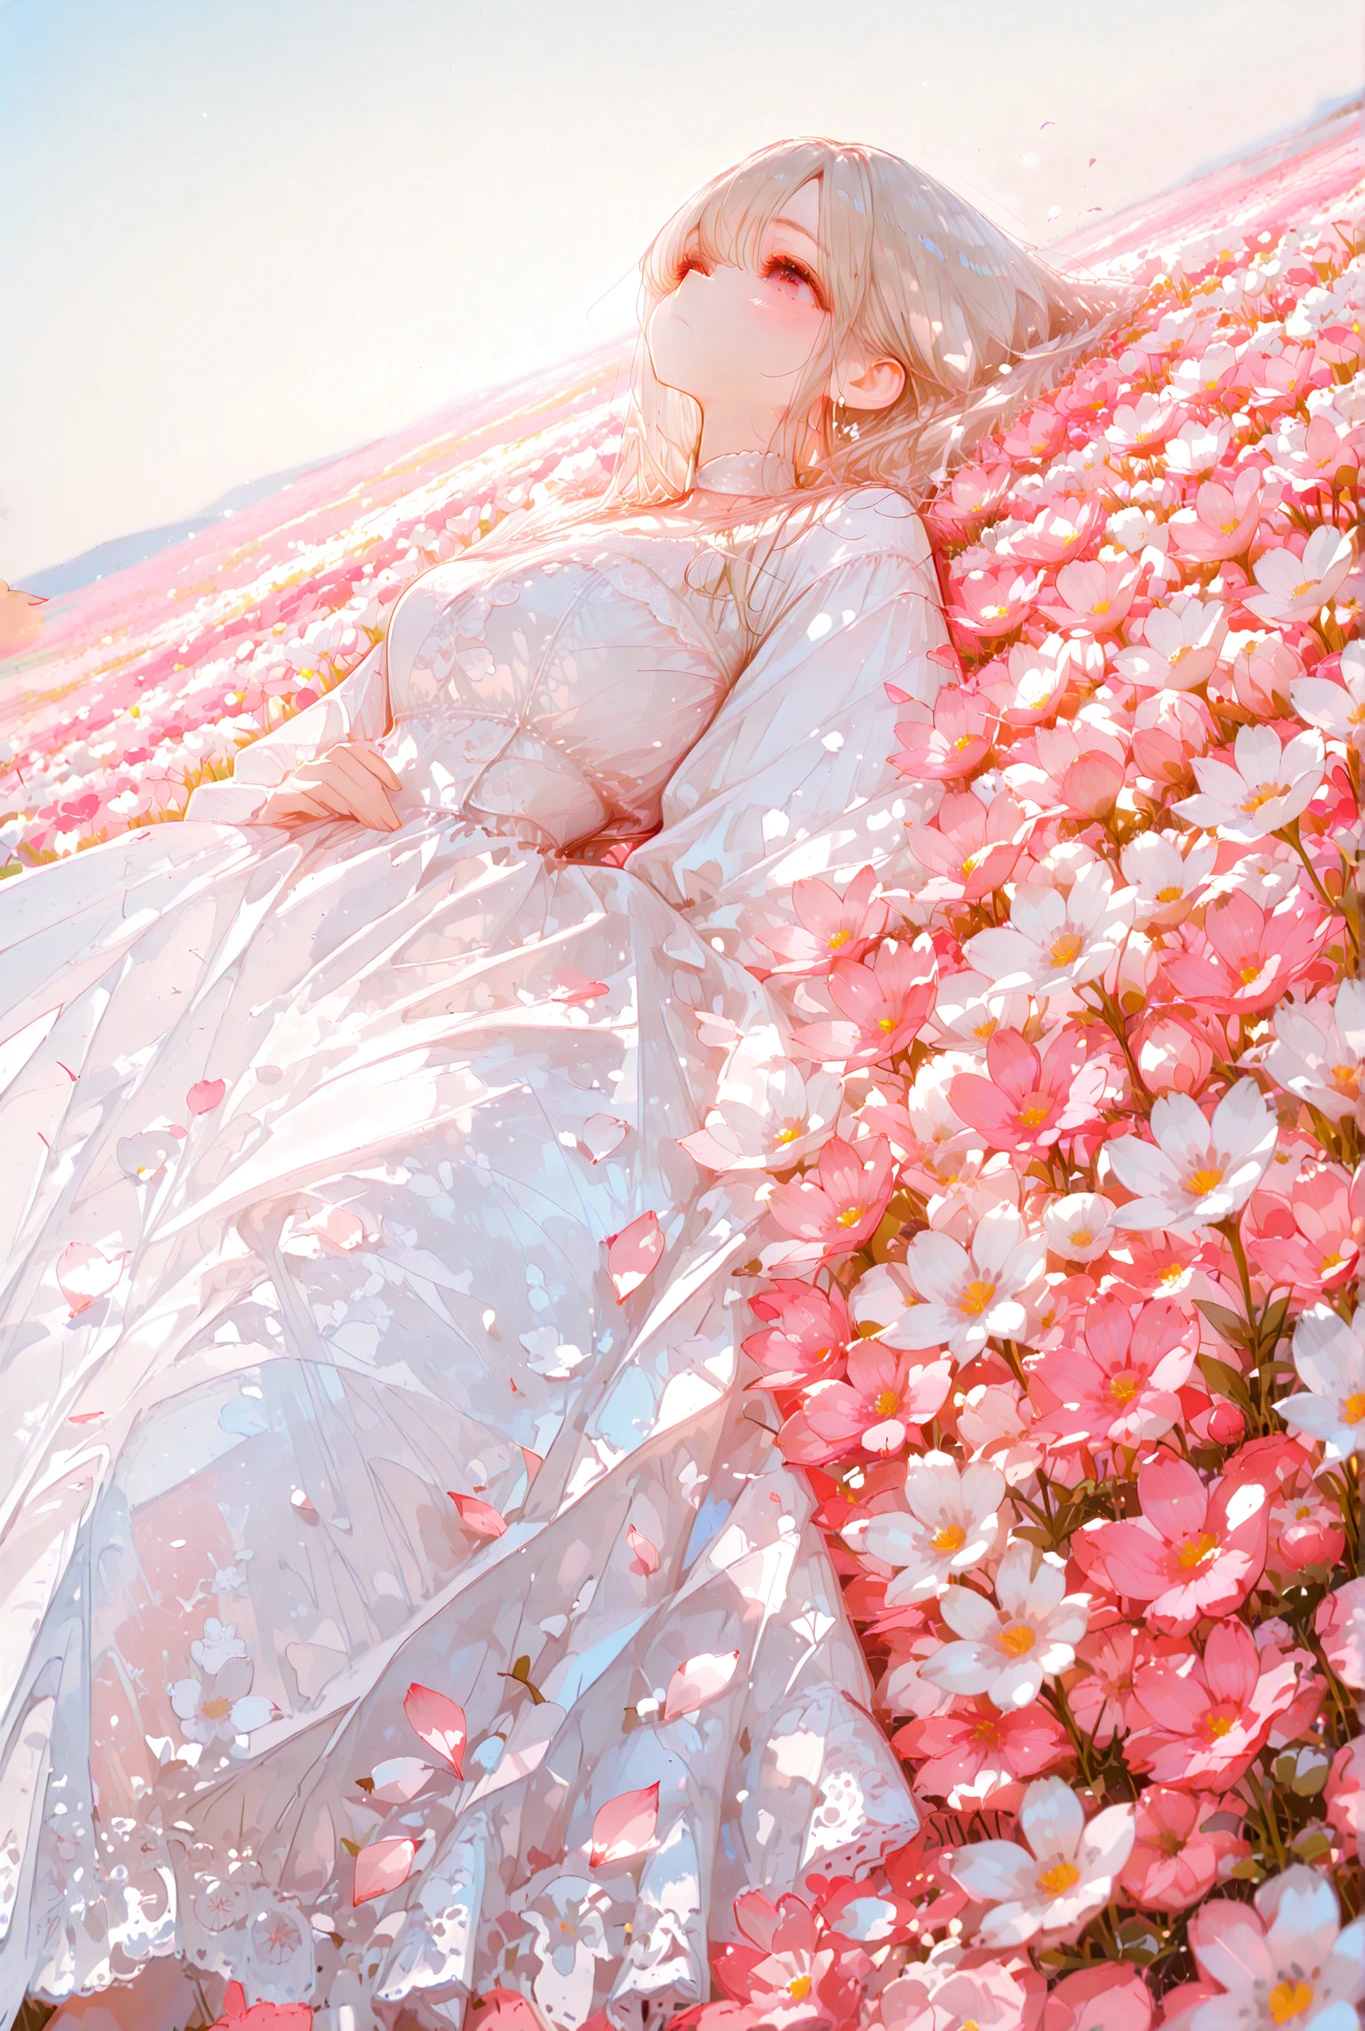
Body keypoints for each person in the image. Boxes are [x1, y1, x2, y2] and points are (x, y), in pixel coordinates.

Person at [0, 140, 1119, 2030]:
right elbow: (328, 731)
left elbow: (806, 833)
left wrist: (501, 843)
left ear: (863, 367)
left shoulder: (821, 543)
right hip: (258, 928)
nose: (701, 262)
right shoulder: (536, 538)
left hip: (486, 976)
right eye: (700, 232)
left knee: (225, 1454)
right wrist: (320, 780)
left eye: (780, 261)